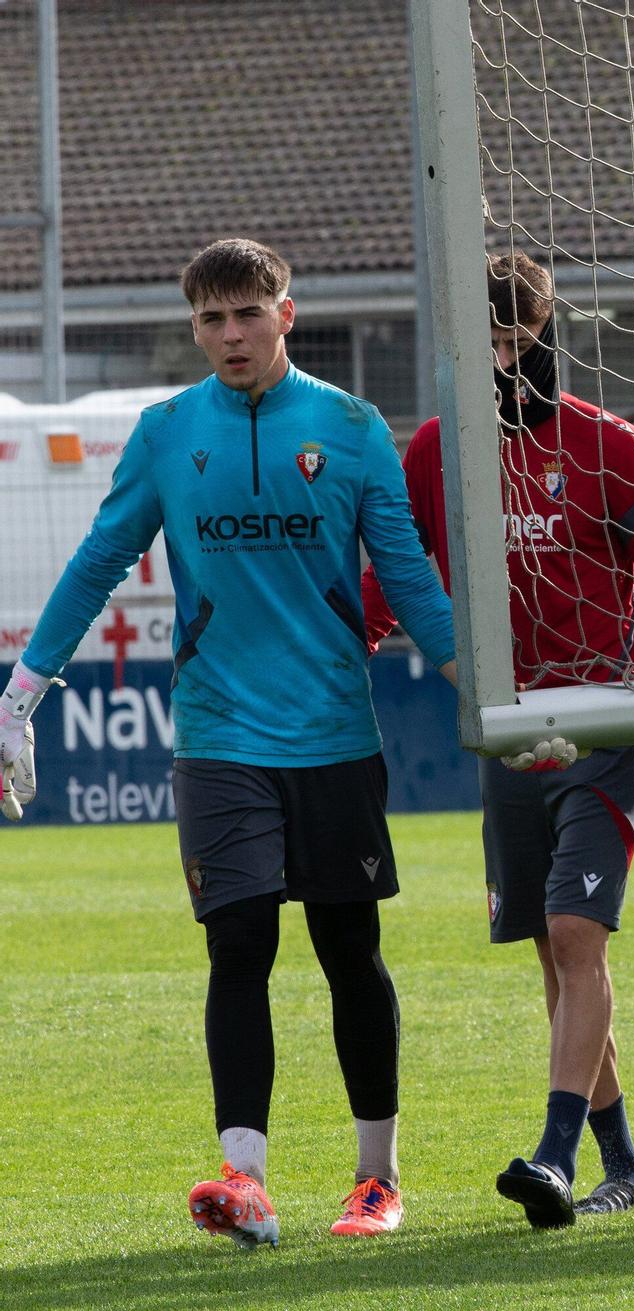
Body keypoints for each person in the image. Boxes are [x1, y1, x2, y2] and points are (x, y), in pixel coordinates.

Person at [0, 238, 459, 1246]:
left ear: (285, 313)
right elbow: (97, 562)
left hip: (335, 733)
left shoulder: (348, 427)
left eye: (247, 313)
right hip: (217, 736)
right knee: (238, 943)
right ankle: (244, 1181)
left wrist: (483, 689)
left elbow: (411, 579)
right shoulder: (168, 434)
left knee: (349, 950)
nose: (231, 335)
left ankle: (375, 1181)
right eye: (211, 320)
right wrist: (21, 692)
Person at [359, 252, 634, 1227]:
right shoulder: (434, 452)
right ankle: (619, 1167)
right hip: (505, 730)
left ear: (549, 332)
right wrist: (349, 636)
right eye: (485, 341)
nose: (503, 357)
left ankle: (552, 1153)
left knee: (580, 933)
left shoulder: (606, 445)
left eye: (518, 338)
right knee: (554, 952)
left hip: (603, 716)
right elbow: (398, 567)